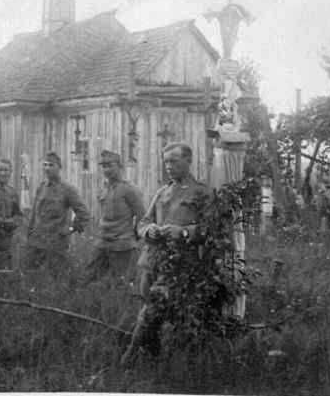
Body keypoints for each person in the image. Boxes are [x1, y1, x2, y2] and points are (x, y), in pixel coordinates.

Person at [121, 141, 209, 367]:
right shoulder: (162, 192)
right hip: (151, 262)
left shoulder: (201, 192)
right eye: (166, 162)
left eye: (174, 161)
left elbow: (213, 229)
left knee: (155, 310)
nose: (168, 166)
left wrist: (184, 232)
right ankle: (153, 361)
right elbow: (143, 222)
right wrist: (148, 230)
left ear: (188, 161)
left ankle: (129, 358)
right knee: (149, 310)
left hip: (180, 264)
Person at [83, 150, 146, 286]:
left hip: (121, 245)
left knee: (120, 284)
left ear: (119, 166)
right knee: (89, 280)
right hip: (102, 242)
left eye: (110, 166)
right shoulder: (104, 188)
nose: (106, 170)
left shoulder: (129, 189)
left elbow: (142, 216)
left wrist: (133, 236)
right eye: (104, 166)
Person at [25, 151, 91, 279]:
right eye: (45, 165)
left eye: (51, 165)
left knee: (56, 279)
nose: (47, 168)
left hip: (56, 244)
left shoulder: (67, 189)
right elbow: (34, 213)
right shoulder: (41, 187)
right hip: (37, 242)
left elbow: (84, 214)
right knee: (32, 277)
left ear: (59, 167)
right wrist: (30, 233)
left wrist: (70, 229)